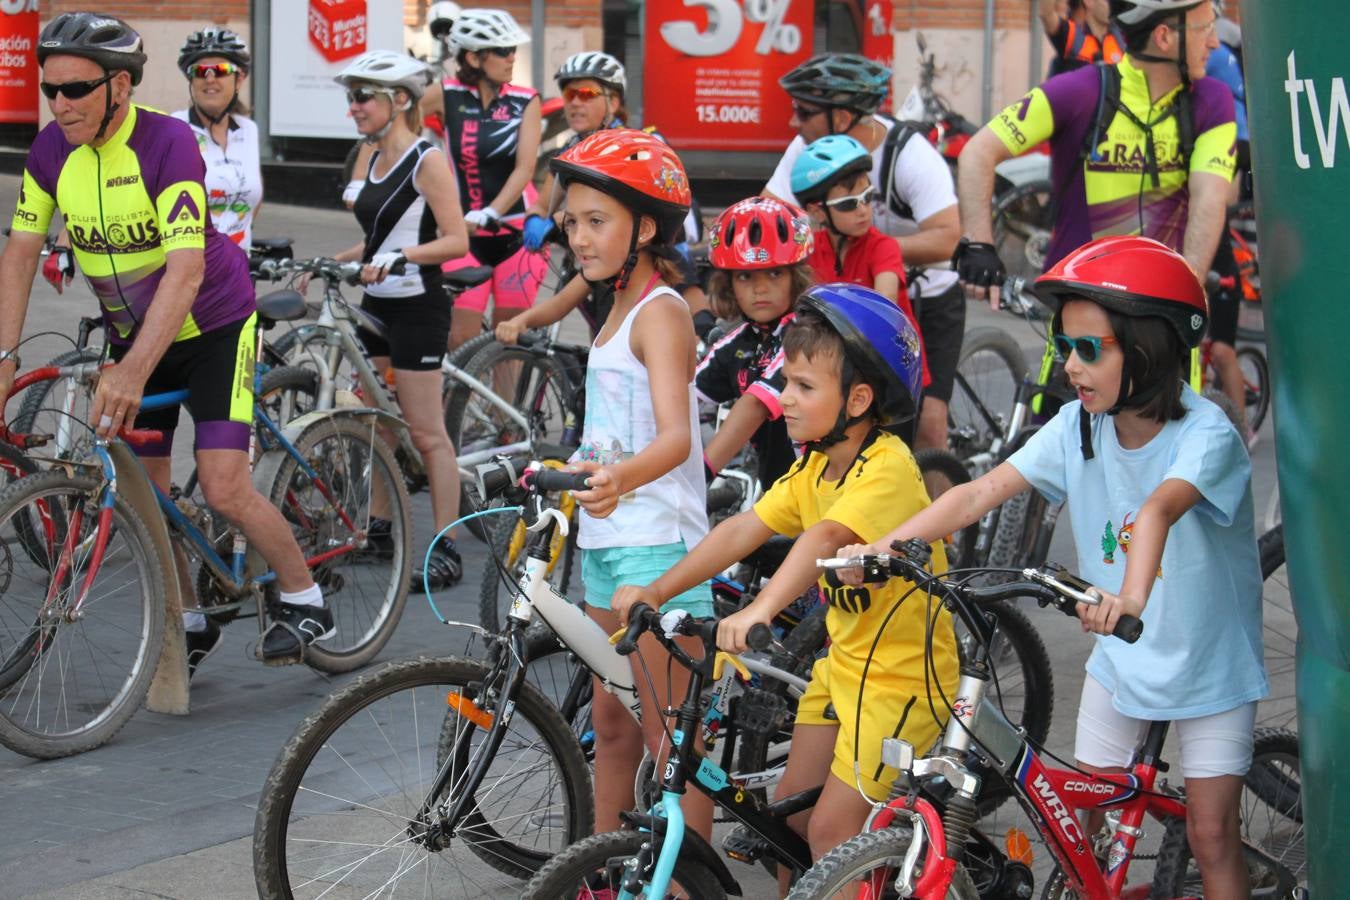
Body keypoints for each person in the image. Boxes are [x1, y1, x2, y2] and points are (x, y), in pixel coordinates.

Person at [838, 236, 1266, 897]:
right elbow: (978, 492)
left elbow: (1154, 512)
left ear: (1149, 350)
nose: (1070, 365)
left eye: (1089, 349)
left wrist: (1126, 601)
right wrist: (885, 547)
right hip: (1122, 659)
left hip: (1208, 663)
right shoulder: (1078, 427)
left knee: (1211, 837)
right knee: (1078, 825)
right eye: (1065, 347)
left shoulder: (1206, 436)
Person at [0, 12, 330, 669]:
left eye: (76, 90)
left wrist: (130, 372)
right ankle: (190, 615)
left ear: (119, 86)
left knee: (222, 486)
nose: (60, 104)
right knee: (147, 498)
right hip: (135, 332)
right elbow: (20, 254)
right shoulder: (48, 152)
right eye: (51, 91)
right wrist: (5, 360)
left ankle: (305, 596)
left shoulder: (168, 145)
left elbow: (186, 270)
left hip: (213, 327)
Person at [611, 284, 958, 891]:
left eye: (803, 388)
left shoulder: (889, 469)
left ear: (857, 398)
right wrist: (659, 589)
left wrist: (762, 609)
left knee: (830, 832)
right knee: (788, 828)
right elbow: (745, 528)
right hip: (844, 668)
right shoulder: (815, 465)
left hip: (904, 680)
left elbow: (825, 536)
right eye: (786, 383)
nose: (785, 401)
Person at [549, 128, 716, 840]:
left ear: (645, 227)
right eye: (572, 220)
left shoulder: (663, 311)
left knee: (674, 748)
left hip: (660, 551)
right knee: (612, 731)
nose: (579, 238)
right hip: (608, 542)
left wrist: (618, 478)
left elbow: (678, 437)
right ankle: (604, 872)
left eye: (597, 222)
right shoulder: (613, 305)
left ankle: (694, 889)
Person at [955, 0, 1235, 302]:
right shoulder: (1081, 92)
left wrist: (1186, 294)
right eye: (1204, 28)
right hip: (1075, 313)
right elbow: (978, 151)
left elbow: (1210, 198)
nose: (1214, 42)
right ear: (1164, 37)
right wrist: (979, 244)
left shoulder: (1211, 101)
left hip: (1162, 318)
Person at [764, 53, 962, 454]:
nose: (793, 123)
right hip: (846, 304)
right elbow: (771, 221)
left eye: (804, 112)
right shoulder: (808, 150)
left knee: (930, 427)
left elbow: (947, 238)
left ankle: (946, 515)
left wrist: (870, 248)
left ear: (841, 117)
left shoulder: (910, 155)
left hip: (930, 292)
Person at [323, 50, 470, 590]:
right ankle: (381, 528)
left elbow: (456, 239)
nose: (354, 108)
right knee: (376, 421)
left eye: (363, 97)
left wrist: (403, 259)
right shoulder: (372, 159)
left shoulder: (426, 160)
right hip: (377, 303)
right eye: (351, 97)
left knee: (427, 433)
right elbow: (381, 236)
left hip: (418, 306)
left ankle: (446, 545)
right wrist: (330, 261)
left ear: (400, 100)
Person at [501, 50, 714, 344]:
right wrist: (535, 221)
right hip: (599, 251)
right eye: (568, 93)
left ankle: (707, 341)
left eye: (586, 93)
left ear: (613, 101)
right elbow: (541, 203)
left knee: (677, 280)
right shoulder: (569, 151)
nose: (575, 102)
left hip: (655, 244)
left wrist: (561, 220)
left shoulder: (639, 142)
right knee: (602, 336)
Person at [422, 8, 545, 350]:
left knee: (508, 343)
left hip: (518, 236)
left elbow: (525, 168)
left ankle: (503, 406)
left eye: (513, 50)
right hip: (463, 235)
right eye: (503, 51)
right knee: (461, 338)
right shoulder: (444, 93)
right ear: (474, 57)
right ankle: (461, 406)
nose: (511, 58)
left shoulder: (526, 100)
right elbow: (392, 128)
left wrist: (492, 210)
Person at [696, 197, 814, 491]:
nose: (760, 288)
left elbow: (755, 406)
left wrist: (700, 474)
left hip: (825, 486)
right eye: (745, 276)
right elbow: (685, 396)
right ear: (729, 285)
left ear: (795, 277)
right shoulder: (739, 341)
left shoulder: (806, 333)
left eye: (775, 273)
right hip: (778, 487)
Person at [172, 27, 262, 252]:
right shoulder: (175, 129)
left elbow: (254, 196)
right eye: (200, 71)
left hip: (239, 269)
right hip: (193, 269)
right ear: (191, 80)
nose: (210, 78)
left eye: (220, 70)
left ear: (239, 79)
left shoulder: (248, 130)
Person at [1038, 0, 1124, 75]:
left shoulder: (1122, 40)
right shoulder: (1072, 35)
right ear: (1088, 1)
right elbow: (1046, 14)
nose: (1113, 5)